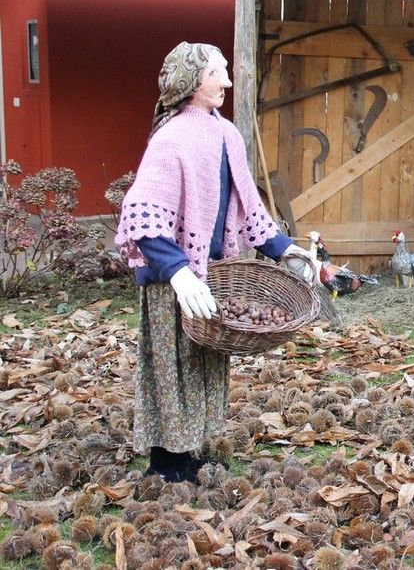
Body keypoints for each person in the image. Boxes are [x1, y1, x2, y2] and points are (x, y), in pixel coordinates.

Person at [116, 42, 317, 482]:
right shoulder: (171, 138)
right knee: (171, 366)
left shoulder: (225, 133)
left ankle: (190, 453)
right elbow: (143, 215)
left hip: (211, 276)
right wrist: (179, 273)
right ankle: (165, 465)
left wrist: (284, 248)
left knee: (202, 364)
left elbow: (247, 206)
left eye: (226, 71)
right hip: (173, 281)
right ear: (191, 81)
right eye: (216, 73)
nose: (226, 80)